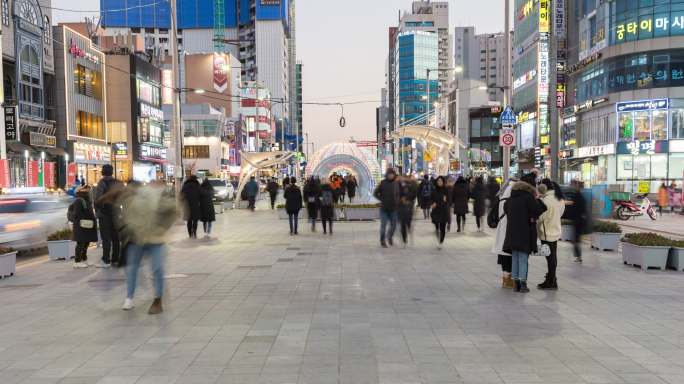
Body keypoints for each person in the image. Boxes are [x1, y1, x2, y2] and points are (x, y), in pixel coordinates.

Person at [120, 181, 177, 314]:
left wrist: (162, 228)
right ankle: (130, 297)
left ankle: (157, 300)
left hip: (155, 239)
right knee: (133, 268)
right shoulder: (130, 200)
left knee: (156, 269)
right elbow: (126, 219)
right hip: (137, 239)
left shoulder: (156, 197)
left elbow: (173, 210)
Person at [503, 174, 547, 293]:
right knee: (523, 258)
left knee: (515, 258)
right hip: (525, 232)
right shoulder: (528, 198)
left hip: (511, 233)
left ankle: (516, 283)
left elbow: (506, 211)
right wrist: (537, 199)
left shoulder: (510, 200)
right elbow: (540, 209)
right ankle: (523, 284)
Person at [536, 179, 565, 290]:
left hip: (546, 231)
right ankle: (552, 279)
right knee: (553, 257)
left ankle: (551, 281)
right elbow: (561, 213)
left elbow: (541, 217)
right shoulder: (559, 198)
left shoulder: (545, 200)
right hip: (556, 230)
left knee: (550, 258)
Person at [94, 164, 123, 268]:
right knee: (116, 238)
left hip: (104, 214)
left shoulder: (102, 183)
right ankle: (115, 259)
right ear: (112, 171)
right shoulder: (117, 183)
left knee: (106, 238)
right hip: (116, 213)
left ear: (103, 172)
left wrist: (97, 211)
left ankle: (106, 260)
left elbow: (97, 199)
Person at [492, 178, 517, 289]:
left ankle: (505, 279)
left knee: (503, 254)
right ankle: (508, 280)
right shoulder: (511, 201)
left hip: (502, 229)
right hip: (509, 229)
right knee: (508, 255)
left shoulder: (502, 199)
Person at [67, 186, 98, 268]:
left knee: (86, 243)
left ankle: (84, 259)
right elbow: (78, 214)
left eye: (88, 189)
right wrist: (87, 218)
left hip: (87, 225)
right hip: (81, 225)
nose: (88, 190)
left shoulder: (87, 200)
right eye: (85, 188)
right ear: (80, 191)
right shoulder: (79, 200)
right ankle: (77, 261)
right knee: (80, 243)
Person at [374, 168, 400, 248]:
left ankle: (389, 237)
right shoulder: (382, 183)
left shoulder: (396, 183)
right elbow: (375, 193)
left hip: (394, 208)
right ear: (387, 175)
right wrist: (381, 199)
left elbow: (398, 194)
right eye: (389, 174)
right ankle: (382, 240)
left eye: (392, 174)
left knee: (394, 225)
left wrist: (397, 201)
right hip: (384, 209)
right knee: (383, 226)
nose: (390, 175)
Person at [566, 180, 587, 263]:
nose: (572, 186)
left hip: (577, 220)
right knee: (576, 239)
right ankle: (578, 256)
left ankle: (579, 256)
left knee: (576, 239)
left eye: (574, 185)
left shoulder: (578, 195)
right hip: (578, 220)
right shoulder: (579, 195)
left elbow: (577, 208)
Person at [398, 175, 418, 245]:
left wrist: (408, 199)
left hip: (409, 206)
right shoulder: (399, 185)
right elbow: (396, 194)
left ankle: (408, 231)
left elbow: (414, 193)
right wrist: (401, 199)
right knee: (403, 223)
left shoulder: (412, 185)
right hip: (401, 206)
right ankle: (404, 239)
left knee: (408, 221)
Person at [431, 176, 450, 249]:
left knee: (442, 228)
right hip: (436, 211)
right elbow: (431, 198)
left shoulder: (446, 190)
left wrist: (446, 200)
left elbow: (449, 200)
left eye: (441, 181)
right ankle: (438, 235)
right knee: (436, 226)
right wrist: (432, 203)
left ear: (443, 182)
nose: (439, 182)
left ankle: (441, 242)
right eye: (438, 181)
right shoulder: (434, 190)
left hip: (443, 211)